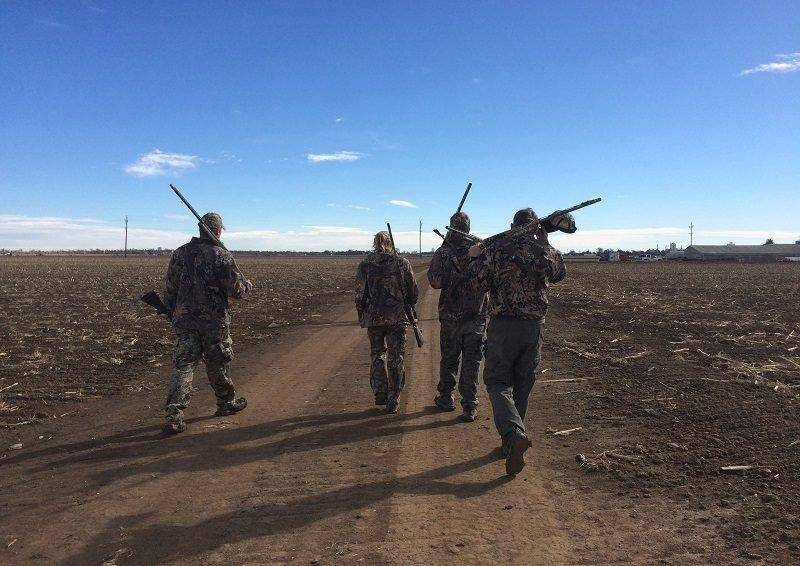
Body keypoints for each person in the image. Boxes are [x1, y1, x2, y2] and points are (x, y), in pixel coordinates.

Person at [468, 208, 566, 476]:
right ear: (536, 227)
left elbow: (477, 285)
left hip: (503, 326)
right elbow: (559, 274)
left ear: (511, 225)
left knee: (497, 381)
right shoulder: (543, 250)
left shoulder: (497, 249)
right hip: (534, 327)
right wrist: (545, 244)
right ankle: (512, 441)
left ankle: (512, 435)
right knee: (523, 382)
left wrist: (475, 258)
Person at [162, 212, 253, 434]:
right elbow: (236, 291)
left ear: (200, 229)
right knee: (218, 362)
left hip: (184, 320)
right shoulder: (220, 255)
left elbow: (170, 288)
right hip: (214, 322)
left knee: (184, 366)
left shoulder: (180, 253)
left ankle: (174, 415)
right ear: (218, 230)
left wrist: (172, 310)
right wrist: (247, 285)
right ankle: (226, 403)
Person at [427, 212, 487, 422]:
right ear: (469, 228)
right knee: (472, 362)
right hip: (476, 316)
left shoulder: (443, 252)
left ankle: (446, 398)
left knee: (449, 359)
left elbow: (434, 282)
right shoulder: (482, 249)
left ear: (451, 227)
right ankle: (469, 406)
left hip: (451, 317)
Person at [355, 231, 419, 414]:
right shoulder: (402, 263)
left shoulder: (365, 265)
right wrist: (408, 307)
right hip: (397, 319)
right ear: (391, 242)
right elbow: (413, 292)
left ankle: (380, 390)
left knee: (377, 354)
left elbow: (359, 295)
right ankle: (394, 398)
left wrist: (363, 315)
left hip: (374, 319)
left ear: (374, 243)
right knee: (396, 356)